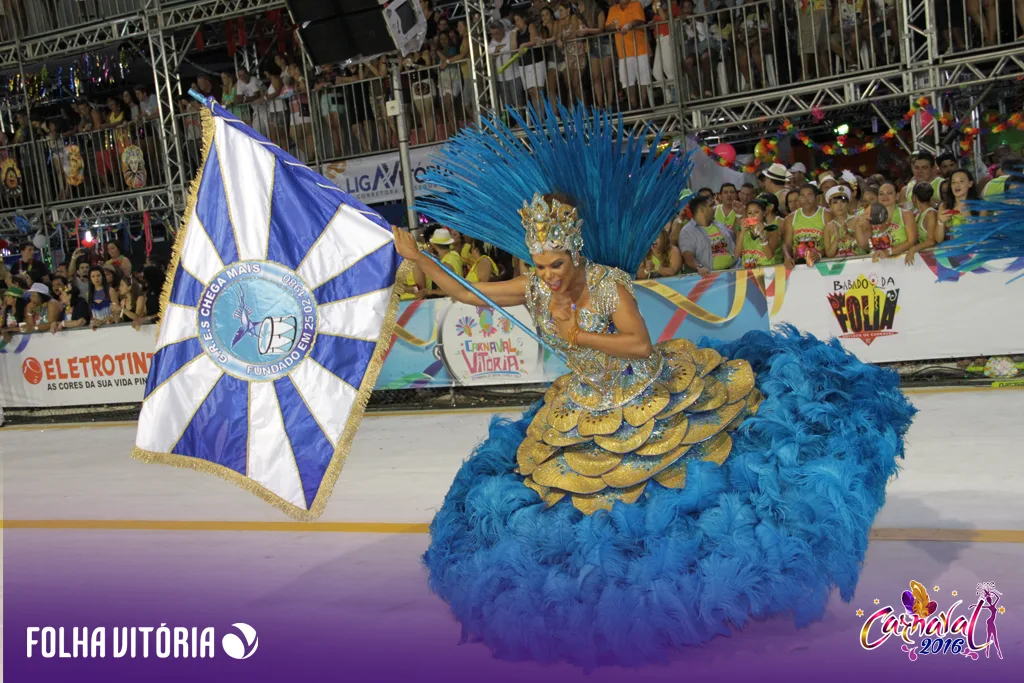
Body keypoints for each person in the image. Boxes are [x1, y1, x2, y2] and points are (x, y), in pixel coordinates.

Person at [399, 99, 916, 667]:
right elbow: (466, 293)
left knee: (680, 485)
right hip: (588, 405)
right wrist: (417, 257)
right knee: (590, 500)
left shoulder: (606, 285)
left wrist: (583, 338)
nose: (546, 275)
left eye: (555, 264)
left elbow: (640, 345)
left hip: (648, 393)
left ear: (575, 253)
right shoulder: (537, 288)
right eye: (539, 265)